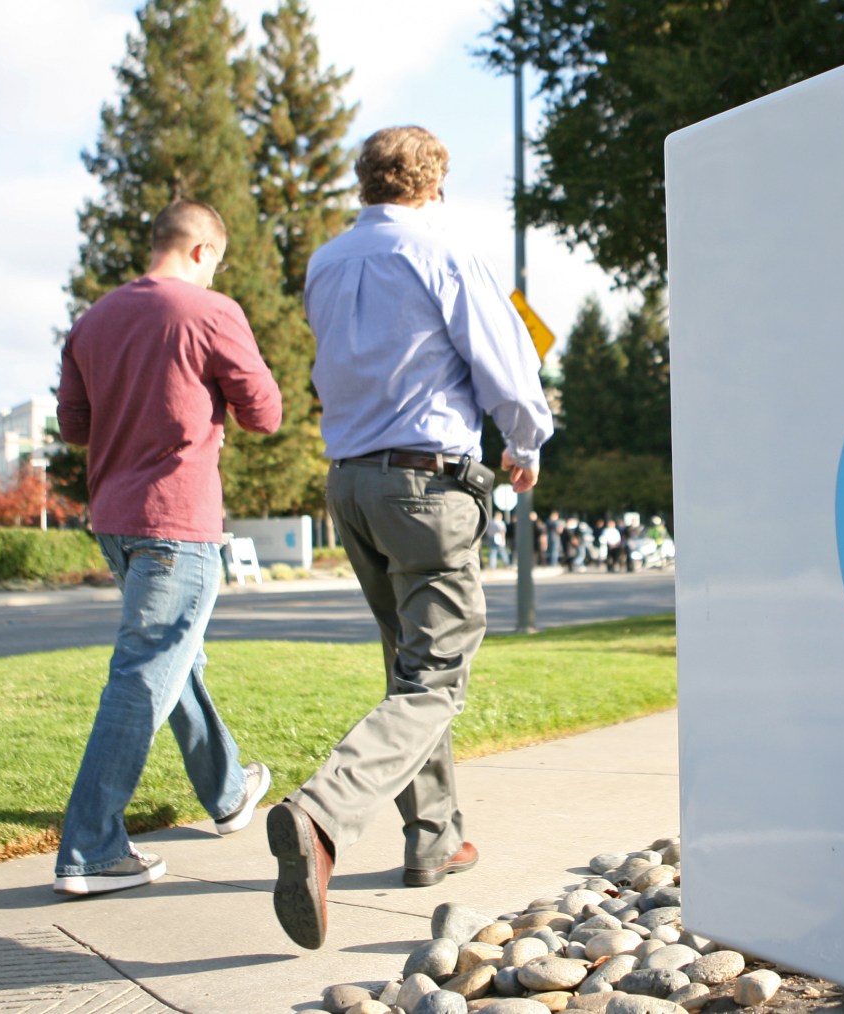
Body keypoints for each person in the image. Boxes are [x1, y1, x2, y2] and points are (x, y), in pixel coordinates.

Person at [268, 126, 553, 950]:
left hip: (352, 483)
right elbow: (505, 365)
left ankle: (433, 840)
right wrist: (525, 443)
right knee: (436, 677)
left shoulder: (325, 263)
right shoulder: (444, 253)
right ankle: (322, 816)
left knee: (410, 668)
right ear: (432, 185)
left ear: (367, 183)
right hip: (427, 482)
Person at [53, 199, 282, 896]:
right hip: (175, 521)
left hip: (116, 521)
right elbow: (265, 413)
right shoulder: (211, 312)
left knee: (172, 662)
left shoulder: (91, 321)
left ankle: (226, 792)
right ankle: (90, 849)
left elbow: (73, 425)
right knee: (144, 675)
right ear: (204, 252)